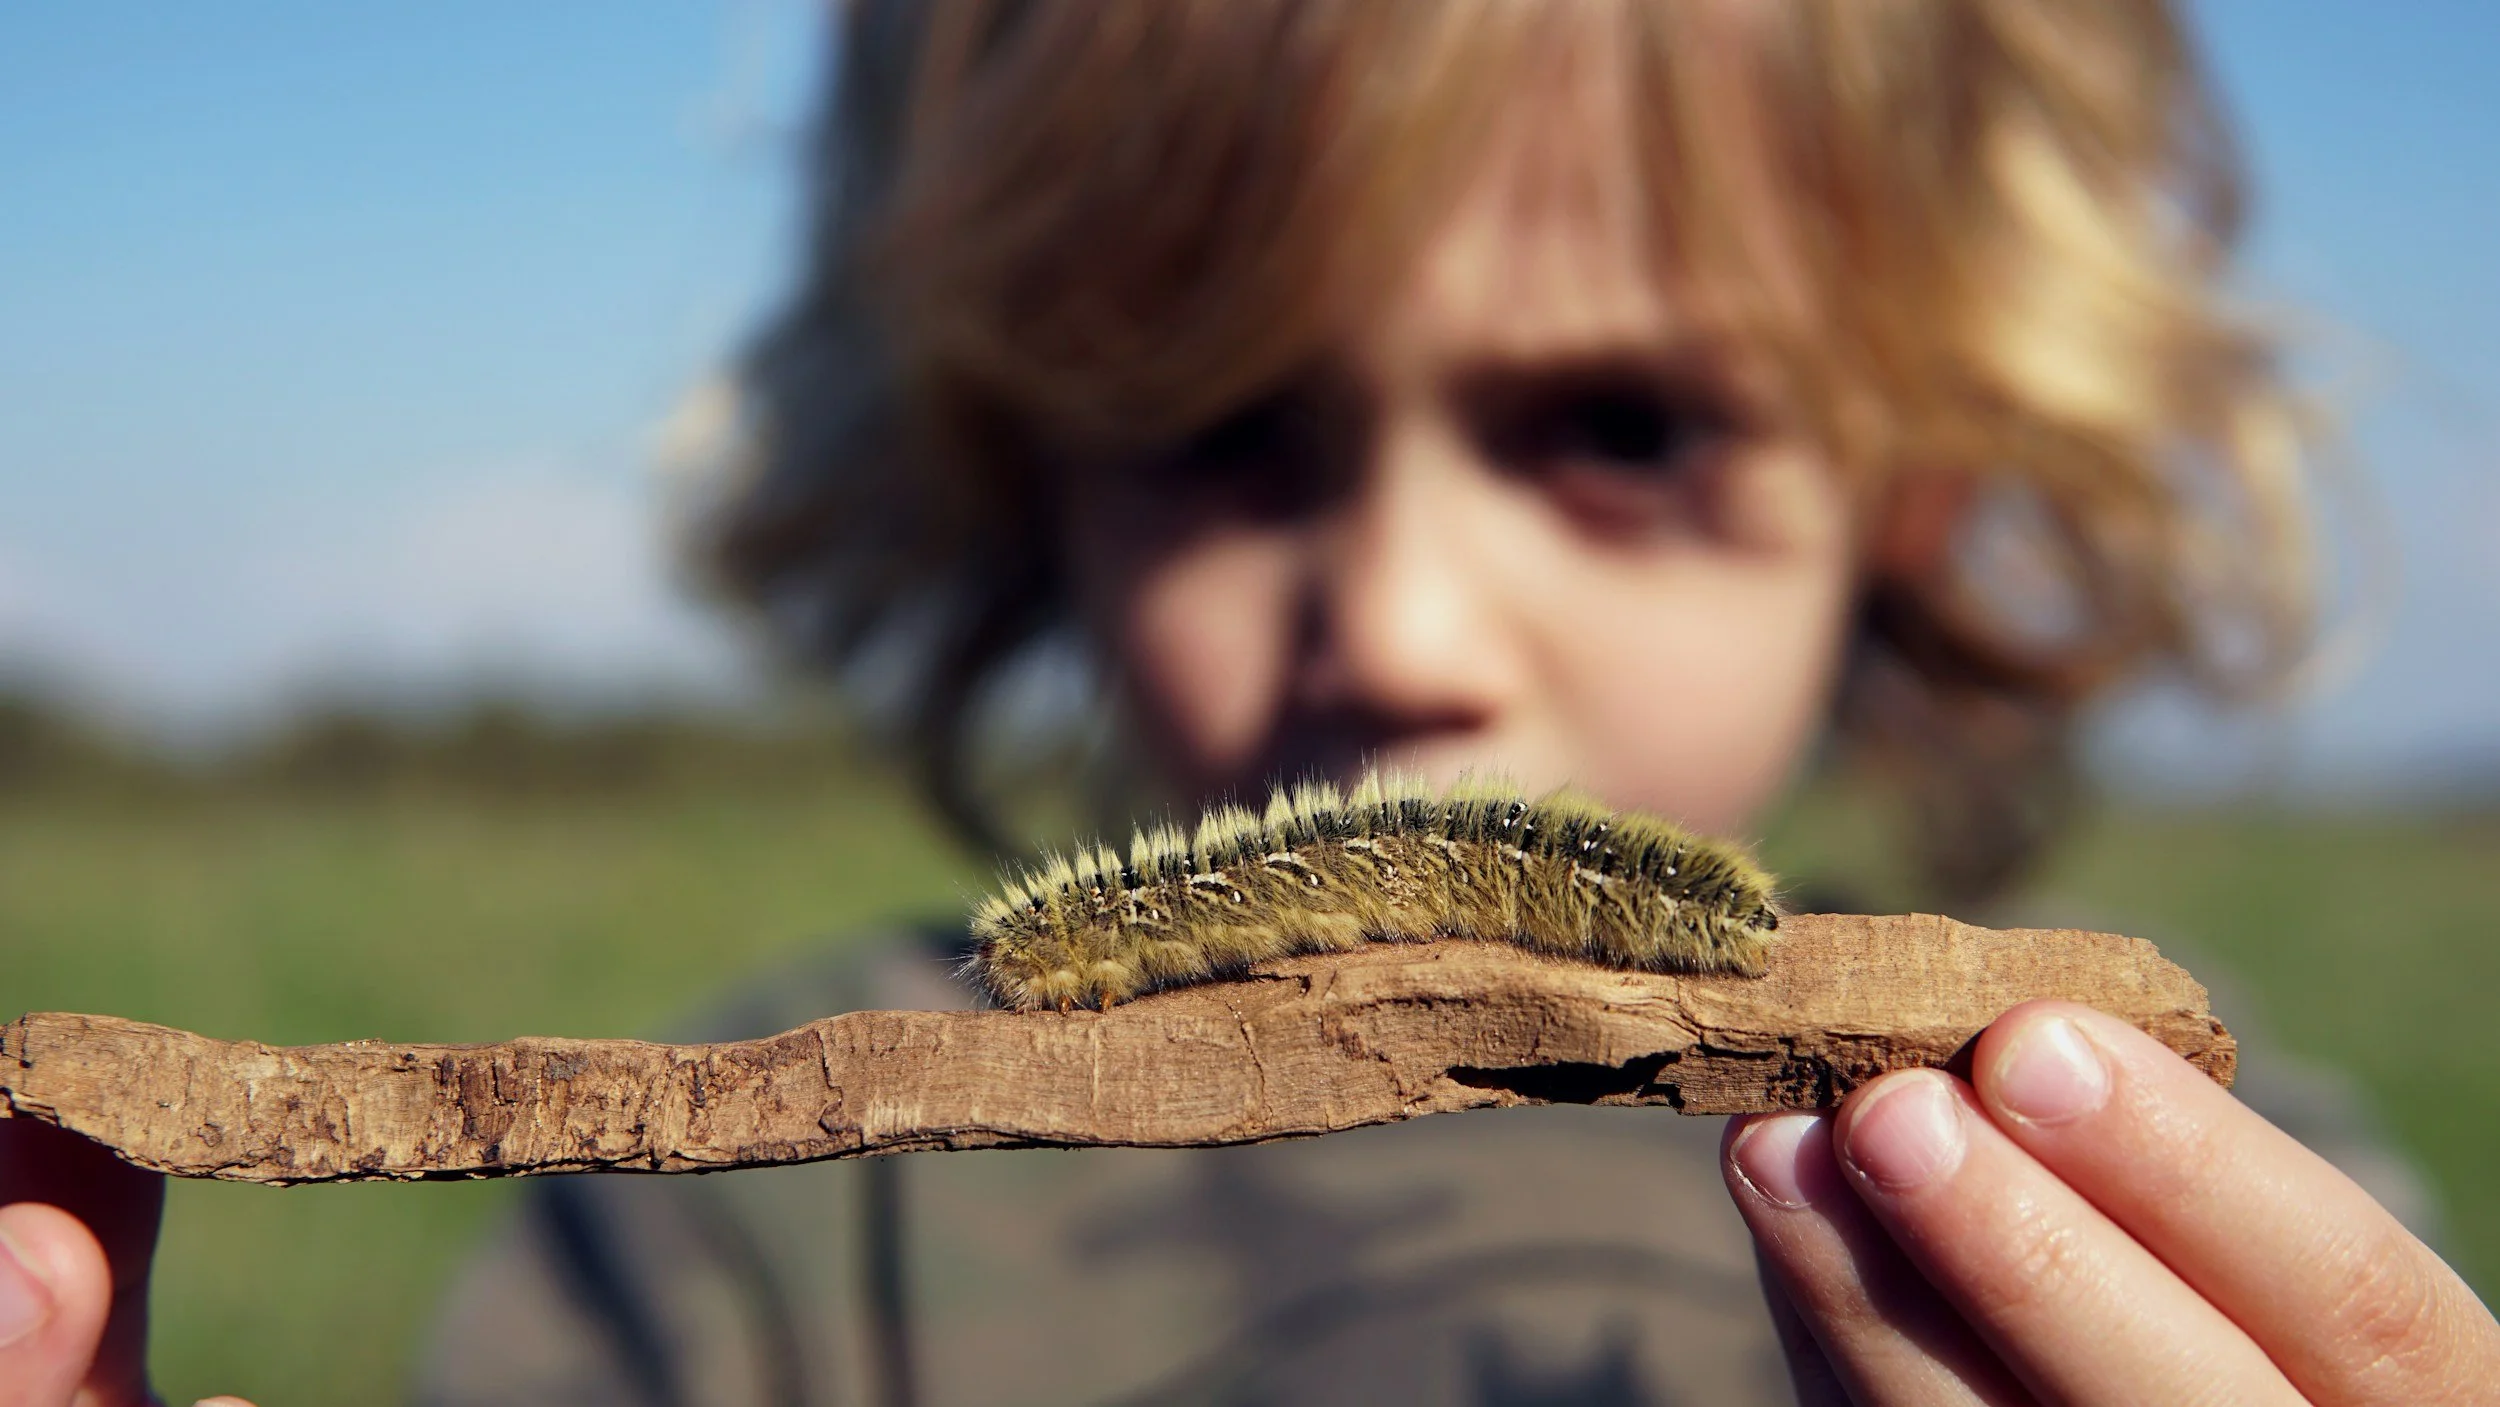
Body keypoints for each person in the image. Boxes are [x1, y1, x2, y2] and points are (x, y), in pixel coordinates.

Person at [5, 1, 2495, 1402]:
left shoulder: (2152, 1195)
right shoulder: (736, 1286)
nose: (1398, 620)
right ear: (1027, 469)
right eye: (1219, 432)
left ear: (1918, 486)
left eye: (1618, 425)